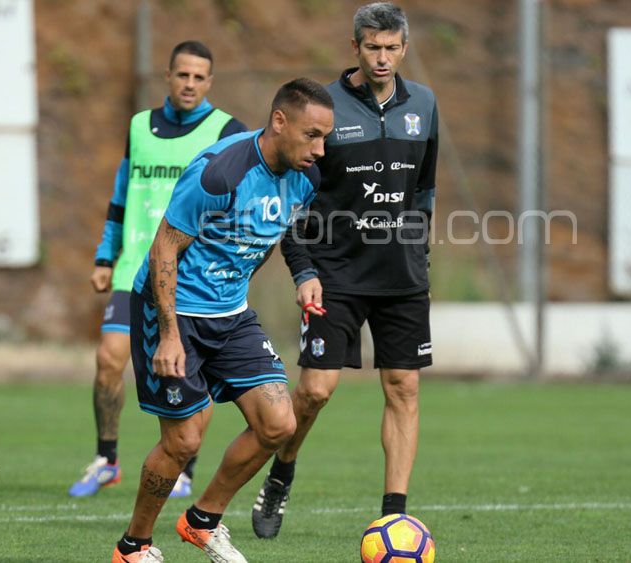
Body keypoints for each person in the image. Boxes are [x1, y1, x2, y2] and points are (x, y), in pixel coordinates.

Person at [111, 78, 334, 563]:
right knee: (185, 439)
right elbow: (163, 247)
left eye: (325, 137)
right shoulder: (220, 173)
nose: (320, 149)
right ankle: (134, 547)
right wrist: (168, 335)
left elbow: (289, 228)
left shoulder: (306, 176)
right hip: (172, 312)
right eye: (311, 135)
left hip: (230, 315)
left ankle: (202, 521)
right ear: (279, 121)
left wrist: (305, 274)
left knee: (279, 423)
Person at [252, 2, 439, 540]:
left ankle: (394, 514)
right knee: (314, 392)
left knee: (403, 387)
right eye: (373, 47)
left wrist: (418, 252)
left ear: (404, 48)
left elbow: (424, 189)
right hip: (335, 272)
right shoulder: (326, 107)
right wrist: (303, 269)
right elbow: (293, 199)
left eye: (392, 48)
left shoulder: (423, 104)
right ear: (355, 47)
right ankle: (282, 472)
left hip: (402, 274)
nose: (382, 58)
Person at [70, 41, 247, 498]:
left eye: (198, 77)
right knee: (109, 359)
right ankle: (107, 459)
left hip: (190, 273)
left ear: (210, 82)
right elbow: (121, 196)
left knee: (189, 369)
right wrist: (105, 257)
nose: (189, 84)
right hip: (135, 266)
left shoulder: (227, 130)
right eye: (181, 74)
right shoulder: (139, 127)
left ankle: (184, 467)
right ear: (168, 76)